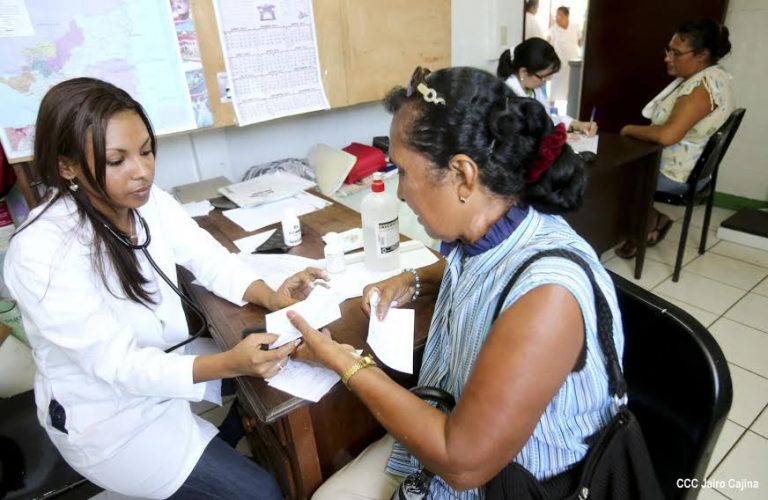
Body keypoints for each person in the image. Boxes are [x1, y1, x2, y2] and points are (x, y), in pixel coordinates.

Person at [287, 66, 624, 499]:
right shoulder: (486, 229)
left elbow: (463, 463)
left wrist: (343, 362)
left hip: (512, 483)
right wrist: (416, 278)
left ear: (463, 176)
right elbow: (481, 274)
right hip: (446, 437)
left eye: (403, 171)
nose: (400, 192)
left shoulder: (548, 296)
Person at [3, 77, 328, 499]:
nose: (141, 172)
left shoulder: (148, 202)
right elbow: (119, 366)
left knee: (279, 363)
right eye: (116, 160)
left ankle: (221, 449)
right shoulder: (40, 251)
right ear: (67, 167)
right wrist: (231, 363)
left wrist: (271, 295)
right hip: (110, 419)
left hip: (164, 362)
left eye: (145, 151)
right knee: (261, 492)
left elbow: (208, 259)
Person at [615, 18, 733, 258]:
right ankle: (655, 219)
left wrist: (628, 129)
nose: (668, 58)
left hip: (679, 176)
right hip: (696, 171)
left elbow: (668, 135)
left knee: (613, 173)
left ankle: (644, 227)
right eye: (668, 49)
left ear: (701, 55)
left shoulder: (700, 89)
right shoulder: (716, 76)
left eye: (676, 53)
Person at [497, 38, 597, 135]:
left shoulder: (533, 89)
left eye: (549, 76)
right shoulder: (508, 96)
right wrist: (554, 136)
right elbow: (525, 133)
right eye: (543, 77)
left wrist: (576, 125)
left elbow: (547, 116)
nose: (545, 81)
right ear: (523, 72)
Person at [549, 6, 582, 103]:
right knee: (555, 88)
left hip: (572, 64)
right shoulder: (553, 29)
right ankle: (551, 105)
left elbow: (580, 42)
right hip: (559, 64)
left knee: (571, 88)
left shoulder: (575, 26)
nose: (557, 17)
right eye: (556, 15)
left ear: (567, 16)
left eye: (560, 15)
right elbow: (549, 45)